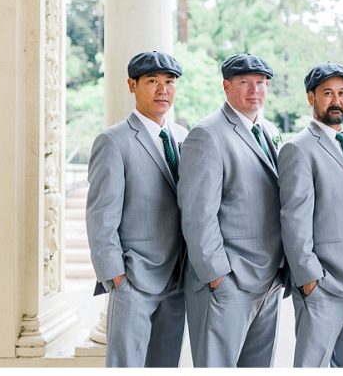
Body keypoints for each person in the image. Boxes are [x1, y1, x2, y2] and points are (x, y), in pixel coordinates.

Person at [178, 53, 286, 367]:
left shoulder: (268, 131)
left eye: (261, 83)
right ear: (226, 86)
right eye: (244, 83)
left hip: (268, 280)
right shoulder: (207, 135)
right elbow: (198, 214)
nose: (255, 90)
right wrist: (217, 277)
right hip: (228, 282)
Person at [86, 51, 187, 367]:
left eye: (169, 82)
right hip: (133, 277)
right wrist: (115, 275)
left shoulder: (183, 137)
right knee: (126, 365)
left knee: (165, 364)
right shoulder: (113, 141)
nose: (162, 90)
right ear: (132, 85)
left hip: (179, 277)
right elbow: (101, 215)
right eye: (153, 82)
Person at [278, 62, 343, 367]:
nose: (337, 100)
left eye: (342, 93)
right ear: (311, 98)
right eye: (327, 93)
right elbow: (293, 219)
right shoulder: (299, 149)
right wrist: (310, 279)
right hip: (324, 283)